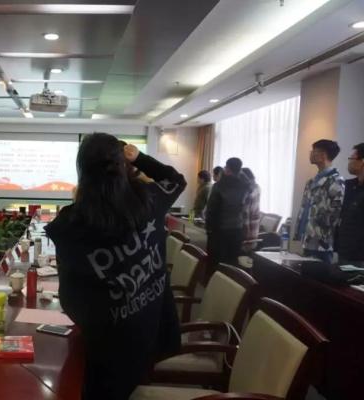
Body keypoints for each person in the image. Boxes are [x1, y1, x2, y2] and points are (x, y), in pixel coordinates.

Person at [45, 133, 184, 400]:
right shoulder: (149, 199)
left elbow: (70, 299)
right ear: (122, 164)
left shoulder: (70, 224)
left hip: (104, 350)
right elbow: (176, 180)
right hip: (151, 332)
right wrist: (139, 158)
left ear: (82, 170)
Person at [294, 139, 345, 264]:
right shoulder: (312, 182)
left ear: (323, 155)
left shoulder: (336, 181)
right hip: (307, 238)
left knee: (320, 274)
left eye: (314, 151)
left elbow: (335, 213)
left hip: (322, 242)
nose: (311, 154)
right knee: (305, 273)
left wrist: (319, 230)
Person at [206, 157, 249, 266]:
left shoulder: (219, 186)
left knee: (216, 262)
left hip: (219, 231)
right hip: (237, 229)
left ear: (227, 169)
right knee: (232, 263)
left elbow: (211, 210)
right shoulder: (244, 186)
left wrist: (208, 229)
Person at [337, 143, 364, 262]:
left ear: (362, 161)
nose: (349, 162)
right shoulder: (348, 185)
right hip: (345, 250)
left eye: (351, 158)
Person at [241, 167, 261, 246]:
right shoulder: (257, 187)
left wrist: (246, 229)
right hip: (254, 223)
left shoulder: (248, 191)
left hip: (248, 227)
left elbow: (245, 212)